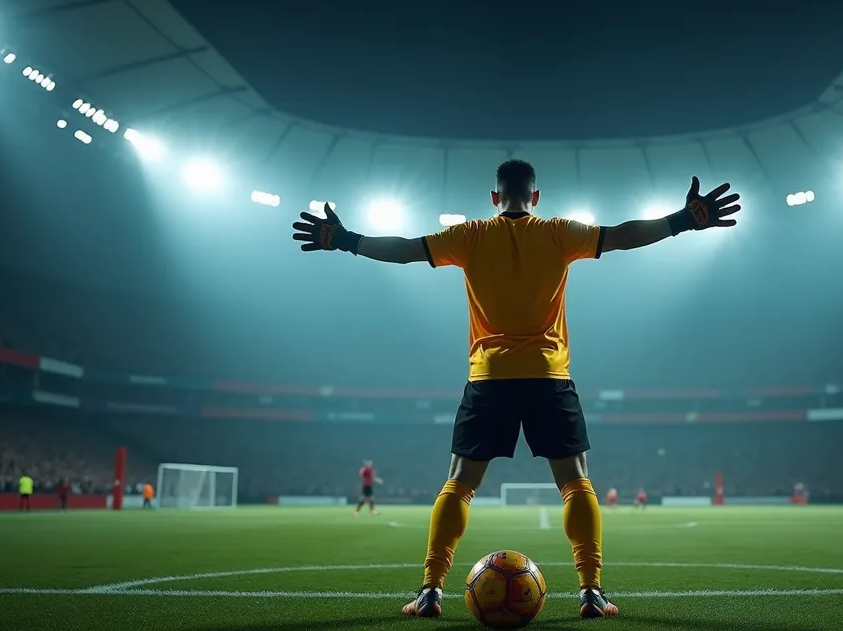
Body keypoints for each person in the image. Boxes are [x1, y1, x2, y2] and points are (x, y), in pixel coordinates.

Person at [292, 160, 739, 620]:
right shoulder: (559, 233)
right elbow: (622, 235)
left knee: (459, 483)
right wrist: (683, 220)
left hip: (489, 377)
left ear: (494, 196)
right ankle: (591, 592)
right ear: (536, 196)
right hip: (549, 375)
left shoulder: (470, 236)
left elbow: (405, 250)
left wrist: (343, 239)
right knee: (575, 482)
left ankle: (430, 591)